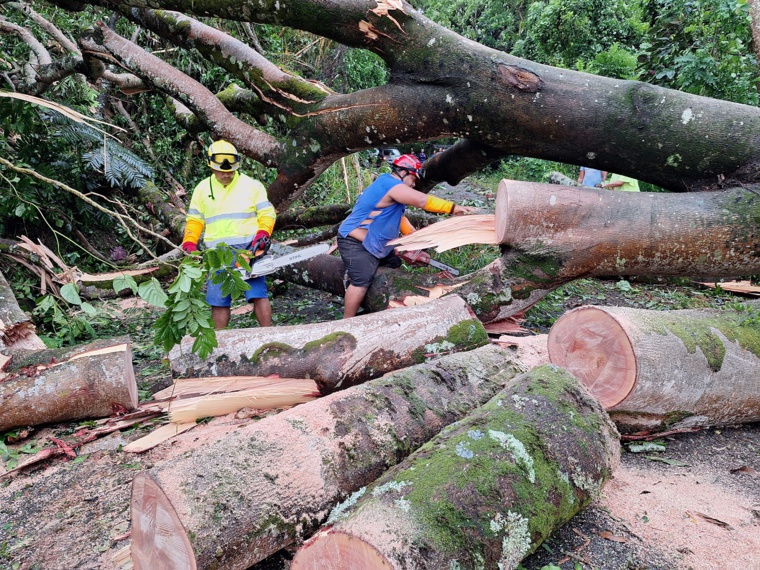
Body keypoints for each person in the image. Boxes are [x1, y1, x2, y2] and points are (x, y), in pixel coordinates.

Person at [337, 154, 477, 318]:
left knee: (393, 270)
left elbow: (399, 219)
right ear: (404, 172)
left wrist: (411, 240)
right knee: (362, 280)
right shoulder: (389, 183)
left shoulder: (392, 191)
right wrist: (453, 208)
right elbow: (422, 201)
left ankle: (377, 306)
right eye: (413, 179)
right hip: (355, 240)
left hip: (378, 242)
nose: (413, 184)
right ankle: (347, 321)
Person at [181, 140, 277, 329]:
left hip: (248, 250)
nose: (226, 174)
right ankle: (221, 338)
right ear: (211, 166)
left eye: (230, 171)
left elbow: (267, 213)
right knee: (218, 300)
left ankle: (268, 333)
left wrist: (262, 235)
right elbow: (195, 220)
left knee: (258, 294)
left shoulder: (252, 186)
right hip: (216, 254)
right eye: (222, 171)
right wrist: (189, 242)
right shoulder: (202, 189)